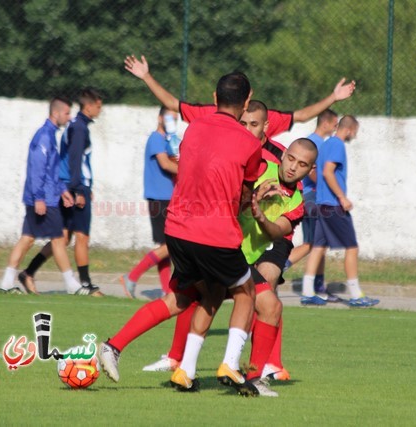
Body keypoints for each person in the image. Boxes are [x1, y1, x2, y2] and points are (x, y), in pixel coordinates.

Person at [99, 70, 262, 396]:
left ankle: (172, 366)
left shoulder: (195, 127)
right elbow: (244, 196)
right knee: (246, 293)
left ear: (215, 99)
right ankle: (230, 363)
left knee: (198, 296)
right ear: (246, 103)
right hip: (215, 233)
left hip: (177, 230)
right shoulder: (250, 143)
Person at [143, 138, 318, 397]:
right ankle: (231, 368)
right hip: (221, 246)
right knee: (199, 299)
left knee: (213, 299)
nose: (293, 167)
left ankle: (186, 369)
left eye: (302, 164)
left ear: (310, 169)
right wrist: (253, 197)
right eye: (291, 158)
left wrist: (258, 212)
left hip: (224, 248)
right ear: (283, 155)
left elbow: (275, 232)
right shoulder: (258, 168)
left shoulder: (296, 202)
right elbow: (225, 200)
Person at [123, 54, 355, 145]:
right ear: (248, 97)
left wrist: (146, 76)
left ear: (217, 96)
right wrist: (333, 97)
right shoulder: (260, 117)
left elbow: (173, 103)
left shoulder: (207, 114)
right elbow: (303, 116)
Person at [16, 88, 104, 296]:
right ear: (89, 105)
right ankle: (86, 285)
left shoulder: (75, 126)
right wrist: (80, 190)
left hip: (70, 186)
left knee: (62, 238)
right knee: (82, 237)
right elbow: (75, 162)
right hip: (73, 188)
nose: (100, 111)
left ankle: (28, 273)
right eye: (99, 106)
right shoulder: (80, 128)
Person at [0, 97, 86, 295]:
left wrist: (63, 190)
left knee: (28, 239)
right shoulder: (44, 137)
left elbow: (51, 171)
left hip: (47, 196)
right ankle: (72, 285)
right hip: (43, 199)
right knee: (58, 239)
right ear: (56, 113)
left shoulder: (50, 135)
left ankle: (6, 283)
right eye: (66, 113)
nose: (69, 117)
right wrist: (39, 198)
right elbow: (37, 170)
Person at [301, 115, 380, 307]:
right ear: (350, 129)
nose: (355, 135)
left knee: (318, 246)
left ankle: (307, 291)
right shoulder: (337, 145)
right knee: (352, 247)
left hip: (321, 204)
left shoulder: (326, 144)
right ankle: (356, 295)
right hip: (333, 205)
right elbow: (328, 172)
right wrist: (342, 197)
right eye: (356, 131)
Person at [120, 107, 179, 298]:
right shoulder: (156, 139)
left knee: (165, 245)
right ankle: (132, 276)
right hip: (159, 198)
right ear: (160, 117)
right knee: (170, 246)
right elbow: (166, 164)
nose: (173, 121)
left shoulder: (168, 141)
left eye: (175, 119)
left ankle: (165, 290)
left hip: (167, 197)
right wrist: (188, 171)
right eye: (170, 117)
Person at [285, 109, 341, 300]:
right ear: (325, 123)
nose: (335, 128)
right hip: (312, 198)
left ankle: (319, 287)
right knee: (312, 243)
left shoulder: (318, 142)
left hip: (313, 199)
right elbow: (310, 172)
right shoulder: (315, 144)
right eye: (335, 124)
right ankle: (278, 267)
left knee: (319, 243)